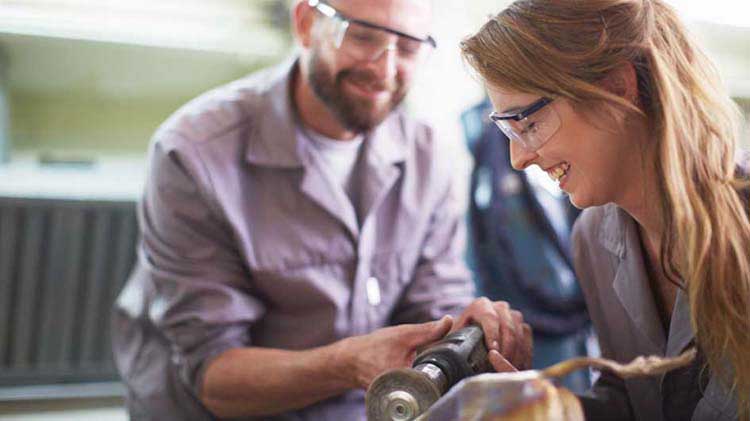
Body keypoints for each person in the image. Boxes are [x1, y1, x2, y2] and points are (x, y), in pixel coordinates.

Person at [111, 0, 532, 420]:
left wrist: (466, 329)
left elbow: (432, 305)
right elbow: (214, 376)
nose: (384, 70)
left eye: (407, 47)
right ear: (306, 24)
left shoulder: (430, 156)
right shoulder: (195, 152)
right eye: (363, 36)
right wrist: (347, 363)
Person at [461, 0, 749, 420]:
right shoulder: (593, 238)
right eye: (506, 130)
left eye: (527, 125)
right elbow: (634, 397)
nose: (517, 159)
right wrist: (543, 406)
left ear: (617, 87)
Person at [462, 98, 591, 393]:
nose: (517, 158)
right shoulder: (478, 139)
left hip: (576, 332)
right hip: (525, 331)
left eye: (531, 124)